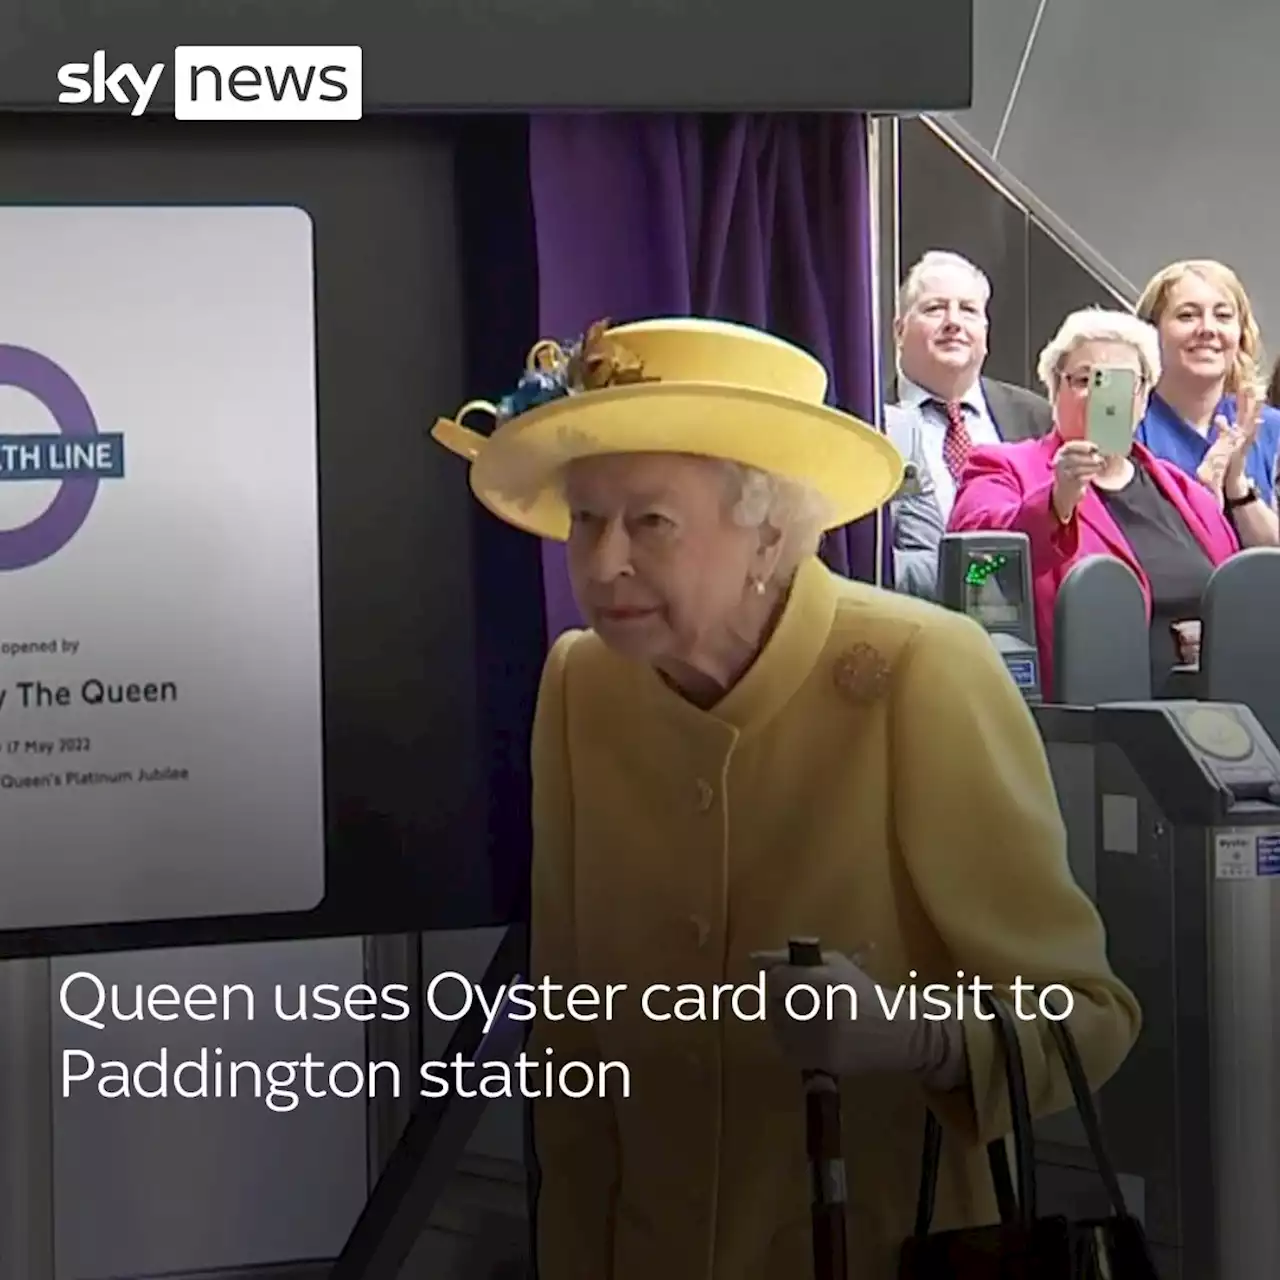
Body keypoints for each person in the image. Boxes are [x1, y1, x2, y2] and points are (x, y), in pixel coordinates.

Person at [432, 316, 1141, 1278]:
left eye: (650, 522)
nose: (601, 566)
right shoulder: (581, 684)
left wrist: (914, 1038)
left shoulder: (920, 672)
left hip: (877, 1248)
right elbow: (572, 1036)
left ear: (767, 528)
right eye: (585, 521)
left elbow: (1086, 1014)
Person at [948, 309, 1276, 699]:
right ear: (1055, 392)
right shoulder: (1004, 466)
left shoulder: (1182, 490)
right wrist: (1056, 501)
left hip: (1210, 718)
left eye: (1119, 383)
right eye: (1084, 380)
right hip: (1088, 719)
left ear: (1142, 400)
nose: (1099, 395)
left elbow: (1241, 602)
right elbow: (978, 565)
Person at [887, 250, 1053, 597]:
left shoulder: (1037, 417)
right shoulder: (870, 422)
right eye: (934, 308)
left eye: (968, 310)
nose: (954, 322)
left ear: (985, 331)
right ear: (899, 331)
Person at [1134, 258, 1280, 507]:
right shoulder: (1129, 426)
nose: (1208, 329)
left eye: (1223, 316)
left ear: (1241, 334)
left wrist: (1237, 487)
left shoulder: (1272, 430)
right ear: (1150, 331)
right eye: (1187, 315)